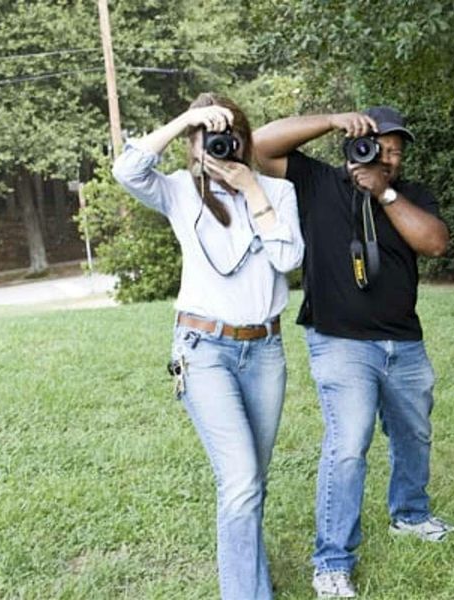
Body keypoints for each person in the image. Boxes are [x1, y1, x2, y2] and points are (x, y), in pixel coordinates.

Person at [253, 106, 451, 598]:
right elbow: (258, 146)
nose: (386, 157)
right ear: (352, 147)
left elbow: (435, 243)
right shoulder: (318, 182)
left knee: (415, 435)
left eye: (395, 152)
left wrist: (382, 193)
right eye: (376, 146)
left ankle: (410, 514)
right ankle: (332, 561)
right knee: (348, 447)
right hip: (340, 341)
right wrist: (333, 119)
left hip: (404, 342)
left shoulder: (411, 195)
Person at [112, 93, 304, 600]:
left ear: (244, 140)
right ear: (194, 148)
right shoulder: (179, 191)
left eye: (229, 135)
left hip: (264, 352)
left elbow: (288, 259)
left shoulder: (279, 192)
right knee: (240, 479)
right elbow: (127, 169)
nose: (221, 145)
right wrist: (185, 121)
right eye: (209, 138)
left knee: (251, 482)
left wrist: (251, 190)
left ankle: (251, 578)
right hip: (203, 350)